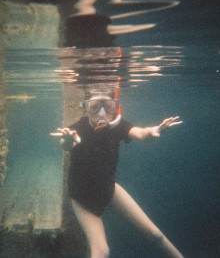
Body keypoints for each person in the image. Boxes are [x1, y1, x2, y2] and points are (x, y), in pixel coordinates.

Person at [51, 86, 184, 258]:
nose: (101, 113)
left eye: (108, 106)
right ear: (85, 107)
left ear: (115, 108)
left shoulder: (118, 126)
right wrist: (68, 140)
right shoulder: (77, 129)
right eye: (94, 106)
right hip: (82, 196)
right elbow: (67, 144)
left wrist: (154, 130)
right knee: (102, 251)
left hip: (108, 188)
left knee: (156, 236)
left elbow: (141, 134)